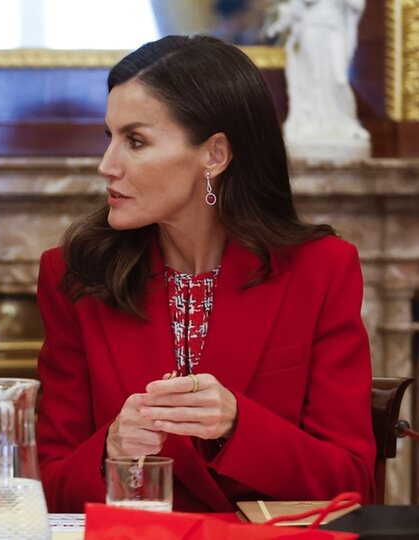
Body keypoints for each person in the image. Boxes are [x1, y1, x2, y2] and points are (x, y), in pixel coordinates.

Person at [35, 35, 375, 513]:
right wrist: (110, 449)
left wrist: (239, 425)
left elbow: (353, 483)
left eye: (135, 141)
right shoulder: (73, 274)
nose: (106, 165)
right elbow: (45, 486)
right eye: (108, 138)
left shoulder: (321, 270)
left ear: (214, 155)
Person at [266, 0, 369, 152]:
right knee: (313, 78)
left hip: (333, 29)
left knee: (338, 79)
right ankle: (313, 123)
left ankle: (340, 122)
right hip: (312, 27)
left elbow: (357, 4)